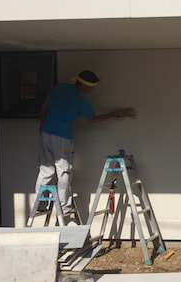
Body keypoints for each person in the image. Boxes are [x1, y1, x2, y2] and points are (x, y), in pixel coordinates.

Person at [35, 70, 134, 213]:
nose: (92, 90)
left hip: (45, 134)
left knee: (46, 170)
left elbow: (45, 103)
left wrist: (42, 123)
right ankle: (64, 207)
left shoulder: (59, 88)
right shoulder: (79, 101)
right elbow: (93, 119)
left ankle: (39, 204)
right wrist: (114, 114)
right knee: (64, 171)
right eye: (91, 87)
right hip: (62, 137)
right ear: (84, 86)